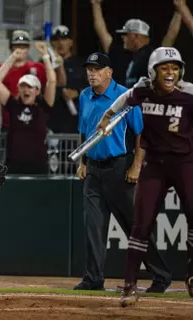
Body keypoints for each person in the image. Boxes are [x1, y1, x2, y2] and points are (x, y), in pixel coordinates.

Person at [97, 47, 193, 307]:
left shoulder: (189, 94)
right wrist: (106, 116)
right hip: (154, 165)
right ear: (153, 71)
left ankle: (192, 273)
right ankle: (129, 285)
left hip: (185, 163)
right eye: (165, 67)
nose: (171, 73)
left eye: (175, 68)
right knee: (141, 224)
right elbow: (124, 99)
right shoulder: (142, 91)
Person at [75, 53, 171, 293]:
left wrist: (137, 165)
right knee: (93, 227)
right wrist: (83, 161)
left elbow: (141, 133)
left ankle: (161, 276)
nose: (91, 73)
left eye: (97, 69)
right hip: (94, 170)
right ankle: (93, 278)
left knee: (135, 227)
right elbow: (84, 131)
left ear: (109, 72)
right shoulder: (85, 96)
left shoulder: (126, 96)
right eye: (89, 69)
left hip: (120, 168)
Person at [0, 41, 56, 174]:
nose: (26, 89)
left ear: (37, 91)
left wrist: (45, 56)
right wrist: (12, 58)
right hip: (14, 165)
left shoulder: (43, 107)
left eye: (30, 87)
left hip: (38, 166)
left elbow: (52, 81)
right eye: (23, 86)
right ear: (18, 89)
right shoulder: (13, 105)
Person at [90, 0, 181, 87]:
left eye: (126, 34)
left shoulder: (153, 56)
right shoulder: (119, 54)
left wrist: (179, 10)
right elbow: (102, 33)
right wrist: (96, 5)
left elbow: (171, 36)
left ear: (136, 36)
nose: (122, 37)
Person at [0, 30, 47, 132]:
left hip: (33, 122)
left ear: (28, 49)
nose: (21, 50)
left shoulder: (37, 67)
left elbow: (52, 84)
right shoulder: (2, 69)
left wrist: (47, 56)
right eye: (17, 46)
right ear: (11, 48)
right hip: (9, 123)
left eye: (24, 47)